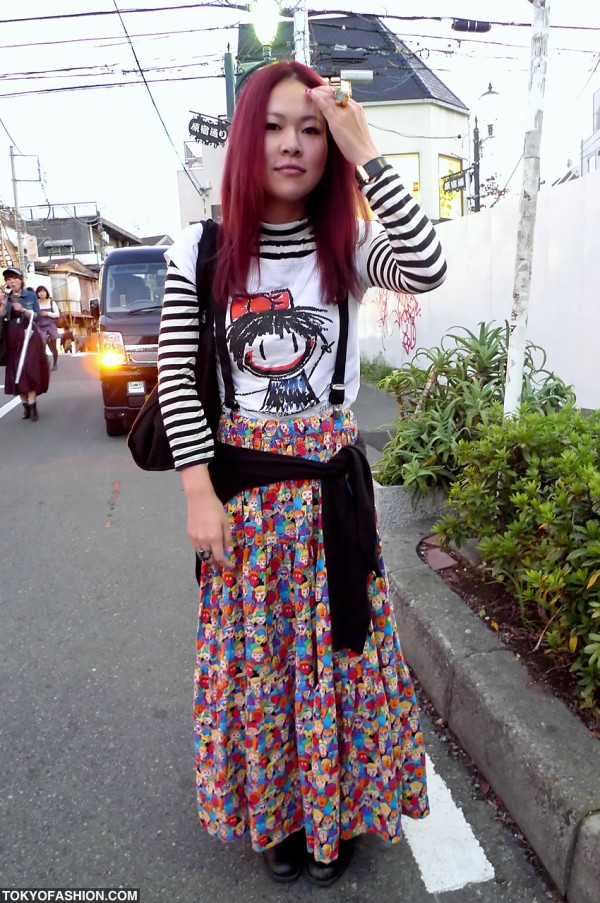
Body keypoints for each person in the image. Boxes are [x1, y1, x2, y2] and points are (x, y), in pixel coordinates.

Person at [156, 61, 447, 887]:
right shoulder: (203, 248)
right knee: (259, 668)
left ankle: (336, 815)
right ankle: (281, 818)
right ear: (250, 138)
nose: (293, 144)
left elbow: (425, 268)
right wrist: (197, 493)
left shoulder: (345, 244)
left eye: (312, 129)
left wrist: (370, 152)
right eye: (277, 126)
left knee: (340, 661)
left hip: (330, 499)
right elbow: (179, 375)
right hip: (245, 504)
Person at [0, 266, 50, 420]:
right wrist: (3, 305)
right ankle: (26, 406)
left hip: (29, 336)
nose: (12, 281)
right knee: (16, 371)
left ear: (20, 280)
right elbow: (2, 318)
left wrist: (23, 310)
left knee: (30, 369)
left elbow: (36, 316)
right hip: (11, 338)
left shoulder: (30, 295)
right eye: (8, 279)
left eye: (14, 278)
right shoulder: (5, 298)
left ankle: (33, 404)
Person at [35, 285, 61, 370]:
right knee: (41, 345)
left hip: (51, 325)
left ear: (46, 292)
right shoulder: (36, 303)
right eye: (40, 292)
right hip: (40, 326)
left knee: (53, 346)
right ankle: (44, 363)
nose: (42, 293)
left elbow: (57, 314)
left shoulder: (51, 302)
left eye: (43, 291)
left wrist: (47, 314)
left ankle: (55, 363)